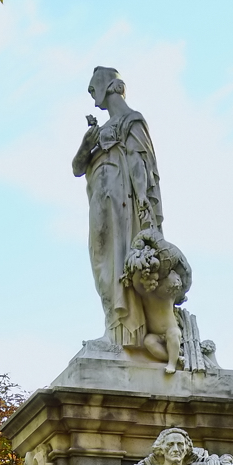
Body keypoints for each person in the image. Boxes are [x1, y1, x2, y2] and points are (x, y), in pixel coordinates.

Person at [72, 67, 163, 348]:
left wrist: (143, 200)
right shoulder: (100, 130)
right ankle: (113, 326)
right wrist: (85, 147)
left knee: (118, 259)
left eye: (93, 90)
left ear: (107, 87)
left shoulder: (131, 121)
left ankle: (125, 334)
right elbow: (77, 168)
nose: (93, 98)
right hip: (99, 199)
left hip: (122, 200)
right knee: (101, 262)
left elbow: (139, 163)